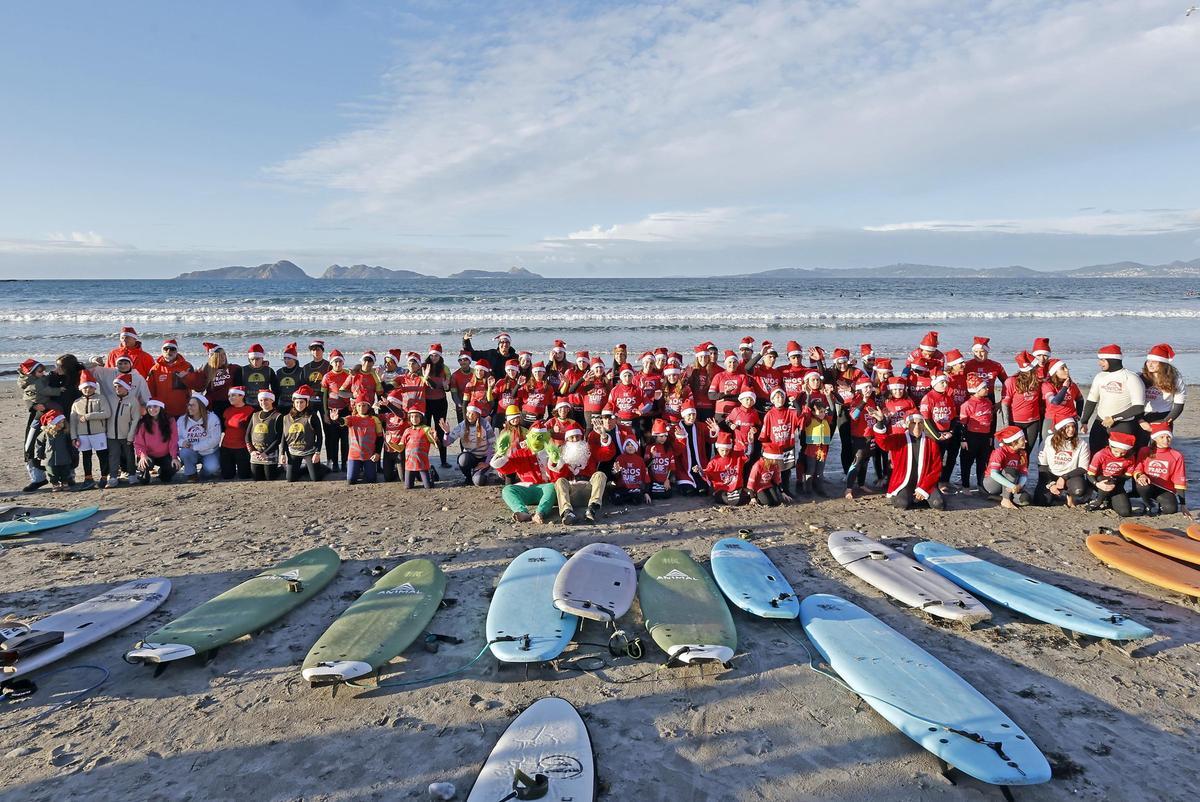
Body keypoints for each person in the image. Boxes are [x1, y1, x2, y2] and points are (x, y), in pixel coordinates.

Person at [869, 409, 945, 510]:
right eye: (913, 423)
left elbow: (936, 469)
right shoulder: (899, 439)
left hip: (925, 482)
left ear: (923, 425)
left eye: (920, 423)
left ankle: (920, 497)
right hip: (903, 482)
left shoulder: (931, 443)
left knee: (938, 504)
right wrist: (880, 421)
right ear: (907, 424)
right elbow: (883, 443)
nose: (917, 427)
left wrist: (923, 488)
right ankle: (913, 498)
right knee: (902, 504)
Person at [1081, 344, 1145, 457]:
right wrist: (1084, 421)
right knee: (1096, 455)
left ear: (1113, 359)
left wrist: (1114, 418)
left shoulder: (1131, 378)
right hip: (1100, 422)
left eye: (1102, 360)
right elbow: (1092, 400)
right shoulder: (1099, 377)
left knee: (1121, 458)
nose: (1099, 363)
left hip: (1123, 424)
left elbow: (1138, 407)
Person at [548, 421, 615, 524]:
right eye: (572, 437)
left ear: (582, 437)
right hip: (571, 493)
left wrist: (603, 435)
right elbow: (555, 479)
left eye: (577, 437)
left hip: (588, 489)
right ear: (567, 440)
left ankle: (592, 508)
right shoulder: (561, 453)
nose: (575, 440)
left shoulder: (589, 450)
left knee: (600, 475)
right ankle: (567, 512)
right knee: (560, 481)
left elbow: (608, 453)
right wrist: (559, 465)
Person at [491, 424, 557, 523]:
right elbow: (506, 468)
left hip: (546, 488)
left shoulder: (551, 452)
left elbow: (560, 475)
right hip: (527, 488)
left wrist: (556, 461)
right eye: (534, 436)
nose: (537, 440)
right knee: (507, 490)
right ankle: (522, 511)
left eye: (541, 437)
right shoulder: (521, 453)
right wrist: (501, 454)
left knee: (551, 487)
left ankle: (540, 513)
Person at [1034, 412, 1090, 507]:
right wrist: (1050, 484)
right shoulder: (1048, 441)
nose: (1071, 429)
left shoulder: (1082, 443)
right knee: (1041, 502)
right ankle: (1055, 493)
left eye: (1073, 426)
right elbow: (1042, 466)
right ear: (1060, 428)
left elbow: (1083, 468)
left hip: (1071, 476)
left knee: (1078, 490)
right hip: (1051, 475)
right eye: (1067, 427)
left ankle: (1070, 496)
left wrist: (1064, 477)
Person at [1132, 422, 1187, 516]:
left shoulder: (1177, 455)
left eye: (1168, 437)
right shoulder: (1144, 451)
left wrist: (1183, 504)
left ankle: (1157, 502)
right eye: (1162, 437)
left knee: (1171, 509)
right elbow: (1137, 469)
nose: (1166, 440)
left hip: (1164, 489)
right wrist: (1141, 475)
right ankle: (1147, 503)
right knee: (1141, 484)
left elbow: (1179, 481)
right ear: (1155, 438)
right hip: (1148, 485)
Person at [69, 369, 110, 490]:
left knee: (102, 455)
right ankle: (88, 478)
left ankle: (104, 477)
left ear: (94, 388)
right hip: (82, 434)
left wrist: (88, 416)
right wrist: (74, 436)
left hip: (98, 433)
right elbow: (73, 421)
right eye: (85, 387)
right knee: (86, 456)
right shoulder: (77, 402)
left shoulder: (100, 399)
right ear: (81, 388)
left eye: (90, 387)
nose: (88, 390)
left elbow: (107, 413)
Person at [760, 388, 803, 497]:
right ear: (773, 400)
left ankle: (786, 490)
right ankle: (776, 491)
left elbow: (799, 413)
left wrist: (794, 402)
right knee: (774, 471)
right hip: (774, 449)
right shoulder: (769, 414)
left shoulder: (790, 412)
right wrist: (765, 447)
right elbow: (765, 434)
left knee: (786, 471)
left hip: (787, 447)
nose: (780, 399)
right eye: (777, 397)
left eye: (782, 397)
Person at [920, 373, 959, 492]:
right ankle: (932, 484)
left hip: (946, 434)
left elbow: (953, 418)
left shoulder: (948, 398)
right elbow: (925, 419)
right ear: (934, 384)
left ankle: (943, 481)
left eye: (946, 382)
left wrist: (950, 431)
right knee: (934, 460)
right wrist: (937, 435)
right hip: (933, 435)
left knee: (948, 458)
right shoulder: (928, 397)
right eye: (942, 382)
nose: (945, 384)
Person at [1001, 351, 1043, 457]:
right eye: (1036, 366)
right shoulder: (1011, 381)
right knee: (1014, 452)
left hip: (1033, 422)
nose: (1038, 368)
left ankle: (1024, 473)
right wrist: (1006, 426)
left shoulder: (1038, 381)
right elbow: (1005, 404)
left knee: (1026, 453)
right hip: (1015, 422)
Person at [1086, 430, 1137, 516]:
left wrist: (1115, 479)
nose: (1118, 455)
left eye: (1122, 453)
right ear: (1110, 446)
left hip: (1117, 483)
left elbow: (1128, 475)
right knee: (1108, 480)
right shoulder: (1100, 455)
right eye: (1116, 452)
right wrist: (1097, 484)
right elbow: (1090, 474)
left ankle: (1109, 500)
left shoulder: (1130, 457)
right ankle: (1099, 500)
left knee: (1125, 512)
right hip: (1100, 481)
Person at [844, 379, 880, 498]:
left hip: (871, 436)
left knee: (865, 462)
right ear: (860, 389)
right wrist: (863, 401)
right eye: (866, 388)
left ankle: (861, 484)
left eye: (870, 387)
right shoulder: (856, 401)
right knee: (857, 462)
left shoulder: (872, 401)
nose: (868, 390)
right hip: (859, 437)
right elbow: (853, 416)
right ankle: (848, 489)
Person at [958, 375, 995, 490]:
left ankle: (981, 484)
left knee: (982, 461)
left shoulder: (988, 402)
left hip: (985, 437)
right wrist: (963, 439)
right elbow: (963, 424)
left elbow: (990, 420)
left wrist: (990, 436)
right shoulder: (967, 405)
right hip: (971, 436)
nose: (987, 389)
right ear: (976, 390)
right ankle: (965, 486)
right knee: (967, 462)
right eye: (984, 388)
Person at [444, 403, 495, 486]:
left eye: (472, 414)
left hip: (484, 458)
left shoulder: (485, 425)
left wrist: (486, 462)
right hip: (470, 457)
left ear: (478, 415)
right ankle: (468, 477)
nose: (470, 416)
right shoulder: (461, 426)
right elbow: (446, 443)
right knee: (463, 459)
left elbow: (492, 445)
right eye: (468, 413)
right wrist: (446, 433)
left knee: (479, 481)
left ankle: (483, 472)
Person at [281, 385, 324, 482]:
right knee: (290, 479)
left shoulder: (312, 416)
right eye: (297, 402)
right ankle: (304, 469)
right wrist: (282, 453)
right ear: (293, 403)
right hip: (293, 452)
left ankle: (319, 468)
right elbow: (283, 436)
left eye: (302, 402)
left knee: (315, 479)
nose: (299, 405)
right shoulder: (286, 417)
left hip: (309, 451)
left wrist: (317, 453)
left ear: (307, 403)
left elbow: (320, 436)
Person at [1140, 343, 1185, 432]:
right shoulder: (1140, 377)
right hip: (1142, 416)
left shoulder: (1175, 380)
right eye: (1148, 361)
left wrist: (1164, 423)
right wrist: (1140, 421)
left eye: (1155, 362)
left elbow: (1178, 407)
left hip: (1164, 415)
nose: (1150, 364)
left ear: (1163, 364)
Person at [982, 426, 1030, 509]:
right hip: (993, 484)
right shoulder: (1000, 452)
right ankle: (1006, 499)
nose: (1026, 441)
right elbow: (994, 474)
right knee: (1011, 470)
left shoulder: (1023, 453)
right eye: (1022, 439)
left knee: (1025, 499)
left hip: (1011, 483)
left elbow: (1024, 474)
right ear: (1013, 442)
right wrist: (1012, 486)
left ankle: (1001, 497)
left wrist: (1019, 485)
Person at [177, 391, 221, 482]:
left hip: (209, 451)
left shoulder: (212, 418)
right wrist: (182, 442)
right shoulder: (182, 420)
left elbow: (215, 440)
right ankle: (191, 474)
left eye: (193, 405)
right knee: (185, 453)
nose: (189, 407)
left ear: (201, 406)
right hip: (191, 451)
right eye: (189, 405)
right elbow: (177, 437)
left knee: (212, 468)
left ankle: (204, 472)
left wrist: (195, 446)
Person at [320, 350, 353, 471]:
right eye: (335, 362)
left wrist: (351, 405)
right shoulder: (327, 376)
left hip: (345, 411)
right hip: (332, 410)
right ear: (332, 363)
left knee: (344, 439)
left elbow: (352, 392)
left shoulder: (347, 374)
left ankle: (344, 463)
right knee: (333, 439)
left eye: (340, 361)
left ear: (343, 362)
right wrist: (325, 413)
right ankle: (335, 463)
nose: (338, 364)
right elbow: (324, 396)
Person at [133, 399, 179, 484]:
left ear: (161, 408)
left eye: (155, 406)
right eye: (149, 407)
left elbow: (173, 440)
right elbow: (138, 442)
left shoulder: (170, 421)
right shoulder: (143, 423)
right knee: (144, 478)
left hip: (165, 455)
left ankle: (163, 473)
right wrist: (143, 456)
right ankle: (144, 474)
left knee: (172, 469)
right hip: (148, 455)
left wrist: (174, 457)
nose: (152, 409)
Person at [105, 376, 140, 486]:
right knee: (113, 455)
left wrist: (131, 435)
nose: (117, 389)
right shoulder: (110, 398)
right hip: (111, 434)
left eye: (120, 386)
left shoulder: (133, 400)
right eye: (115, 386)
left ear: (126, 387)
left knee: (129, 455)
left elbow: (135, 419)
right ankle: (113, 476)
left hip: (126, 434)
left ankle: (132, 475)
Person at [147, 339, 196, 417]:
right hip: (162, 411)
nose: (169, 351)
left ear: (177, 351)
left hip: (182, 410)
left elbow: (195, 387)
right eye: (166, 349)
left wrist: (187, 377)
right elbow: (150, 390)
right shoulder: (155, 369)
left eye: (172, 349)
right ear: (162, 351)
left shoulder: (187, 366)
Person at [423, 344, 453, 467]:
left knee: (440, 431)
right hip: (426, 403)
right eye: (432, 355)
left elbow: (448, 387)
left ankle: (443, 460)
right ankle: (423, 458)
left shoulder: (444, 368)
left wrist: (447, 387)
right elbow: (425, 384)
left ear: (440, 357)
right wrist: (426, 377)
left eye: (436, 355)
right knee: (425, 432)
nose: (434, 357)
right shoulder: (424, 367)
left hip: (440, 402)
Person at [343, 393, 382, 485]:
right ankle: (357, 469)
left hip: (369, 455)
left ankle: (365, 469)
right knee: (351, 481)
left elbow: (380, 438)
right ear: (356, 407)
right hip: (354, 455)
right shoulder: (352, 418)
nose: (361, 408)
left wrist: (377, 453)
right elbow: (343, 421)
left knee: (371, 479)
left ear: (368, 406)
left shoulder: (374, 419)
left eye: (364, 405)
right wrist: (336, 419)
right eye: (359, 405)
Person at [703, 430, 749, 506]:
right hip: (721, 489)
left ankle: (736, 497)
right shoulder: (714, 461)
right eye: (722, 450)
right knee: (724, 497)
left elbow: (747, 454)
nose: (724, 453)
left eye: (727, 450)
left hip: (736, 488)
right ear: (717, 449)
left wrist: (749, 443)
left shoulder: (737, 456)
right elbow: (707, 475)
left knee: (741, 497)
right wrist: (700, 471)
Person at [35, 410, 77, 491]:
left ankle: (64, 482)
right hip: (49, 457)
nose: (61, 424)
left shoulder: (65, 433)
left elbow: (70, 444)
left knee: (65, 471)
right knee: (52, 472)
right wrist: (39, 454)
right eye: (59, 422)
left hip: (64, 456)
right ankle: (55, 484)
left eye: (62, 422)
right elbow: (39, 443)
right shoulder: (46, 433)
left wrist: (73, 452)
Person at [674, 404, 711, 495]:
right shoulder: (675, 428)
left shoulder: (701, 426)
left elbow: (711, 440)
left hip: (699, 465)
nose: (692, 417)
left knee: (703, 491)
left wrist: (714, 430)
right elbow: (676, 452)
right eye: (689, 415)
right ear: (683, 415)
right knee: (688, 491)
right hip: (683, 467)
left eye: (693, 414)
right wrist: (681, 438)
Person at [401, 402, 439, 489]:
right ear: (409, 418)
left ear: (421, 417)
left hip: (423, 464)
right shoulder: (407, 430)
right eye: (412, 417)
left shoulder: (426, 429)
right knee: (408, 487)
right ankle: (417, 475)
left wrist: (435, 439)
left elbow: (437, 446)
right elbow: (400, 448)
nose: (414, 419)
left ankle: (431, 470)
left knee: (428, 487)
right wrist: (390, 443)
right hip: (410, 464)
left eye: (417, 416)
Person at [247, 390, 283, 481]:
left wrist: (265, 453)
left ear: (272, 400)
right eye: (261, 400)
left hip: (269, 452)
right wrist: (252, 451)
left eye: (266, 400)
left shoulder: (278, 416)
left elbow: (278, 438)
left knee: (269, 478)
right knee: (256, 478)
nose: (263, 402)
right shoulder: (255, 415)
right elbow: (247, 435)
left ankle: (281, 469)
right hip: (256, 452)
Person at [800, 397, 832, 497]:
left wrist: (828, 396)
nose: (822, 414)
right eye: (820, 411)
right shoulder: (809, 420)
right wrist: (808, 395)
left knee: (820, 471)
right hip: (811, 450)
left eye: (823, 411)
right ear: (813, 412)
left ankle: (820, 489)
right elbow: (807, 411)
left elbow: (832, 410)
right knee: (810, 470)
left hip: (823, 450)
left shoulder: (827, 420)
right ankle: (808, 489)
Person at [219, 387, 254, 480]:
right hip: (226, 446)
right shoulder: (227, 410)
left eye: (233, 395)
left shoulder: (250, 410)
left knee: (245, 476)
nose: (230, 398)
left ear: (242, 396)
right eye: (229, 396)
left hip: (242, 447)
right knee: (227, 476)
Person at [199, 342, 242, 417]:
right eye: (219, 356)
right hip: (214, 406)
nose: (223, 358)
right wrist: (197, 376)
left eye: (224, 355)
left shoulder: (233, 368)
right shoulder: (206, 371)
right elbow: (199, 389)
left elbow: (249, 371)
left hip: (230, 403)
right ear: (213, 358)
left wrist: (262, 365)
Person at [611, 436, 652, 505]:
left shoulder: (640, 460)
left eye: (632, 445)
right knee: (617, 499)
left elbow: (645, 477)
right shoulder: (619, 458)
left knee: (638, 498)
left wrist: (646, 492)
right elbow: (616, 477)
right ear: (624, 447)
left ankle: (630, 498)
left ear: (636, 447)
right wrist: (616, 471)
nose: (630, 447)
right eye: (627, 445)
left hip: (635, 488)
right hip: (623, 488)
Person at [644, 419, 677, 500]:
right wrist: (652, 456)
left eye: (665, 436)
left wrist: (667, 480)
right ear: (655, 436)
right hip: (653, 480)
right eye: (661, 436)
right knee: (654, 493)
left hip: (664, 479)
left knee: (668, 494)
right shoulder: (649, 447)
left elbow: (671, 467)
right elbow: (645, 466)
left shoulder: (668, 448)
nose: (664, 438)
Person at [242, 344, 277, 408]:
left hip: (264, 402)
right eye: (252, 359)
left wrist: (274, 403)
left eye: (257, 359)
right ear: (249, 359)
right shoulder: (243, 370)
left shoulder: (269, 371)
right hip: (247, 403)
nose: (255, 362)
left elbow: (275, 388)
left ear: (262, 358)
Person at [275, 342, 306, 412]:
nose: (286, 361)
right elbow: (276, 390)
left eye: (288, 358)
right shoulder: (279, 372)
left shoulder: (301, 371)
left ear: (294, 359)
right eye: (285, 358)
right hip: (282, 404)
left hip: (296, 404)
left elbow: (303, 389)